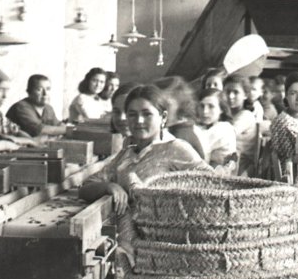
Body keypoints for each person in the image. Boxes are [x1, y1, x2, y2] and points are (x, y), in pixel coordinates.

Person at [77, 85, 208, 214]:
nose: (139, 120)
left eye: (147, 114)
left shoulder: (175, 149)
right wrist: (108, 187)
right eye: (132, 114)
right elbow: (85, 189)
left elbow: (213, 184)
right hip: (125, 230)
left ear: (163, 117)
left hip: (164, 231)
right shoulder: (127, 154)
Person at [269, 72, 298, 180]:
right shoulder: (281, 122)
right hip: (294, 178)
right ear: (286, 95)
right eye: (293, 93)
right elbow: (286, 161)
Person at [222, 73, 258, 173]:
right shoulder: (227, 115)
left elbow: (226, 135)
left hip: (241, 168)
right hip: (229, 161)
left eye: (235, 92)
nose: (230, 96)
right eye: (227, 92)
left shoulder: (246, 116)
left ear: (245, 95)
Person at [193, 89, 237, 171]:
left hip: (217, 179)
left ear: (221, 109)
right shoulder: (206, 128)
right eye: (202, 106)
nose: (205, 111)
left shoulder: (225, 128)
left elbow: (199, 148)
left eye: (211, 106)